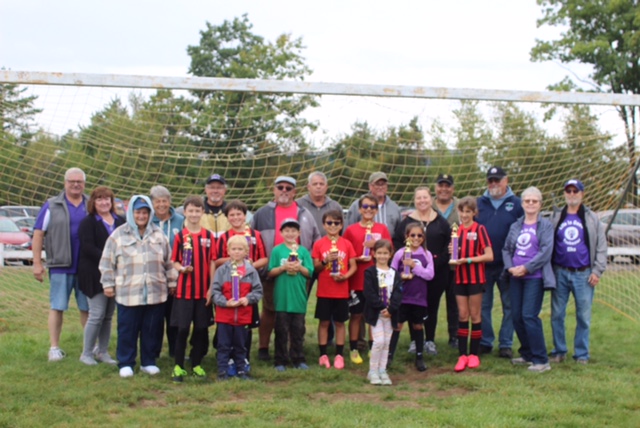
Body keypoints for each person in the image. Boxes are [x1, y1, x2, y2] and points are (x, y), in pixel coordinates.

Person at [99, 195, 177, 378]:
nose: (141, 216)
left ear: (150, 214)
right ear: (131, 213)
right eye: (138, 212)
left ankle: (148, 361)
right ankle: (126, 362)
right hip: (128, 293)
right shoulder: (118, 235)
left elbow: (169, 261)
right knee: (128, 329)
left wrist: (172, 281)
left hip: (156, 293)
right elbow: (106, 262)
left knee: (152, 330)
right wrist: (108, 283)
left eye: (145, 212)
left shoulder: (159, 235)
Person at [251, 176, 320, 361]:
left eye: (288, 188)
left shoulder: (305, 213)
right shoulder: (262, 213)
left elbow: (316, 239)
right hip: (270, 270)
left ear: (294, 192)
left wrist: (307, 264)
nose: (284, 190)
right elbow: (251, 238)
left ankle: (294, 350)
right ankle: (264, 348)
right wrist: (259, 263)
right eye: (280, 187)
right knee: (269, 310)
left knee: (296, 312)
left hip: (299, 273)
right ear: (274, 189)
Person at [32, 167, 90, 362]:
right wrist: (37, 263)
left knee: (87, 308)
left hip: (86, 267)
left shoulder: (91, 204)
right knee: (57, 307)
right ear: (65, 183)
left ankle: (90, 348)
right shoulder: (51, 205)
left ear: (84, 184)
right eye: (72, 181)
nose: (75, 184)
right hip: (59, 265)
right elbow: (39, 233)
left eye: (79, 182)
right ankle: (54, 348)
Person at [549, 179, 607, 365]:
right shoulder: (556, 216)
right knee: (557, 314)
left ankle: (581, 354)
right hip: (560, 272)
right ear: (565, 193)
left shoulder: (592, 218)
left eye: (575, 191)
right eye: (569, 191)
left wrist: (597, 270)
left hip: (583, 273)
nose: (572, 194)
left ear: (582, 194)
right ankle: (559, 350)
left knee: (583, 315)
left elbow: (601, 247)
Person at [502, 187, 555, 373]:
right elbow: (506, 250)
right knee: (516, 316)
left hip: (535, 277)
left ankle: (541, 360)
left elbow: (545, 252)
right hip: (515, 276)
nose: (530, 204)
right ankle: (527, 353)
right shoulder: (516, 225)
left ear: (540, 204)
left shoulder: (546, 225)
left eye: (534, 201)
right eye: (527, 201)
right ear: (522, 203)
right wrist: (510, 268)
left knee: (529, 316)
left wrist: (526, 268)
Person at [393, 186, 451, 356]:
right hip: (411, 275)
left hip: (436, 273)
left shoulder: (441, 222)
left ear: (431, 199)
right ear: (415, 201)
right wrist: (406, 263)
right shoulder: (406, 222)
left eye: (425, 197)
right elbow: (397, 243)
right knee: (412, 305)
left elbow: (449, 246)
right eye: (419, 198)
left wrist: (435, 262)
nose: (422, 201)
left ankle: (430, 340)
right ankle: (414, 340)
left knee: (431, 306)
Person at [476, 166, 523, 358]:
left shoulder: (517, 204)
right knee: (483, 305)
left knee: (509, 305)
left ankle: (506, 343)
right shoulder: (479, 203)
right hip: (483, 264)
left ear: (506, 180)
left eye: (498, 180)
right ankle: (486, 341)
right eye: (490, 180)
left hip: (508, 265)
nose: (494, 184)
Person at [216, 199, 267, 375]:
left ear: (245, 216)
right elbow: (217, 259)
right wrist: (235, 261)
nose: (236, 217)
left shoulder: (255, 235)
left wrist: (250, 265)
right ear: (227, 217)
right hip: (229, 288)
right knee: (227, 326)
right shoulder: (224, 237)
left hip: (247, 287)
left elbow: (264, 258)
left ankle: (243, 360)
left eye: (239, 214)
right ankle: (227, 361)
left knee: (246, 324)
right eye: (232, 214)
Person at [170, 196, 216, 383]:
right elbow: (174, 261)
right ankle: (178, 366)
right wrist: (182, 269)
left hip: (202, 291)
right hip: (184, 291)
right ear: (185, 212)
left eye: (198, 211)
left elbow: (212, 262)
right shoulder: (180, 236)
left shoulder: (208, 236)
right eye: (191, 211)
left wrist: (211, 288)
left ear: (202, 212)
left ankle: (196, 363)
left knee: (201, 329)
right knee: (182, 329)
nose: (194, 214)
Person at [77, 186, 125, 366]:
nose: (104, 202)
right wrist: (111, 259)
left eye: (107, 199)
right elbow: (88, 248)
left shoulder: (120, 221)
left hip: (116, 275)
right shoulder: (88, 222)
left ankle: (102, 351)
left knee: (108, 316)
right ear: (93, 202)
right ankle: (86, 353)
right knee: (96, 314)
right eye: (99, 199)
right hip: (93, 275)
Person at [343, 193, 392, 364]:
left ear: (377, 210)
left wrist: (374, 249)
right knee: (356, 315)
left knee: (374, 314)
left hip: (377, 279)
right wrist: (358, 258)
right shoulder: (351, 230)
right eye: (365, 206)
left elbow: (388, 252)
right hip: (357, 279)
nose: (369, 210)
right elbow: (346, 254)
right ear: (359, 209)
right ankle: (354, 349)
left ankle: (373, 347)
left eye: (372, 207)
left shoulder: (382, 229)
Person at [209, 235, 263, 380]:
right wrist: (226, 302)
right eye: (234, 249)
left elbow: (258, 291)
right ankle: (222, 371)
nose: (237, 252)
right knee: (223, 345)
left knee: (241, 346)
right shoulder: (222, 271)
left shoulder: (251, 271)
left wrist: (247, 299)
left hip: (243, 316)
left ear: (246, 252)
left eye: (240, 249)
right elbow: (215, 292)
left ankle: (241, 371)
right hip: (224, 316)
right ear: (228, 251)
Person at [450, 197, 493, 372]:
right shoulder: (456, 231)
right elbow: (454, 255)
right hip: (459, 278)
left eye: (468, 211)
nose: (465, 215)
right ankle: (462, 355)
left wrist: (468, 260)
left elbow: (489, 255)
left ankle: (474, 354)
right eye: (462, 211)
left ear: (474, 213)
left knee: (475, 315)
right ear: (458, 212)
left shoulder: (480, 229)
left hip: (475, 278)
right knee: (462, 315)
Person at [312, 209, 358, 369]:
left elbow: (353, 265)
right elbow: (315, 268)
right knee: (324, 322)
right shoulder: (319, 244)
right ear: (324, 225)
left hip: (341, 291)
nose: (332, 226)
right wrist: (325, 261)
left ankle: (339, 354)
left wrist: (346, 277)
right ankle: (323, 354)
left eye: (336, 223)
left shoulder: (346, 243)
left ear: (341, 225)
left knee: (340, 322)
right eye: (329, 223)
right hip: (324, 290)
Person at [268, 218, 314, 371]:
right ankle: (280, 360)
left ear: (299, 232)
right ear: (281, 233)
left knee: (298, 330)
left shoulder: (303, 251)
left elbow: (309, 273)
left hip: (298, 297)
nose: (290, 233)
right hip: (282, 298)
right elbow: (271, 272)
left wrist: (299, 267)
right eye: (287, 230)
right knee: (281, 330)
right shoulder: (277, 250)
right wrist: (284, 267)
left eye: (293, 230)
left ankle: (298, 358)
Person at [389, 222, 434, 372]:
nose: (416, 238)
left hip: (419, 297)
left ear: (424, 237)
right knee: (397, 326)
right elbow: (392, 274)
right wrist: (401, 277)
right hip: (403, 297)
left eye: (419, 235)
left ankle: (419, 357)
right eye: (412, 235)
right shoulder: (399, 253)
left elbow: (430, 275)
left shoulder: (426, 254)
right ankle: (389, 356)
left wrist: (415, 267)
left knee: (418, 326)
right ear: (406, 236)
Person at [150, 185, 185, 358]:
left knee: (174, 316)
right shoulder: (147, 220)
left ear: (170, 202)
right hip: (154, 276)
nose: (161, 205)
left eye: (164, 201)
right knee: (155, 317)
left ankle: (175, 351)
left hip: (176, 276)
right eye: (158, 201)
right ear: (152, 203)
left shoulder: (180, 220)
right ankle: (153, 352)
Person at [363, 239, 403, 386]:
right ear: (374, 254)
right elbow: (369, 293)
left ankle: (382, 370)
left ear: (390, 254)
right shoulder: (370, 272)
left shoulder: (395, 273)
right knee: (378, 341)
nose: (382, 256)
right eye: (379, 253)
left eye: (385, 253)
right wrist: (381, 307)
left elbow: (398, 293)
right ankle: (372, 371)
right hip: (376, 314)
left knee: (387, 343)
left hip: (390, 315)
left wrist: (391, 309)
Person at [433, 173, 460, 348]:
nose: (444, 189)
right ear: (435, 187)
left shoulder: (460, 206)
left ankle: (455, 336)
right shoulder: (427, 205)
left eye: (447, 185)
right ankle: (428, 338)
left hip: (456, 265)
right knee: (431, 303)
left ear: (453, 188)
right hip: (433, 264)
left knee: (455, 302)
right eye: (441, 185)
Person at [295, 171, 343, 237]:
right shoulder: (298, 204)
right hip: (305, 246)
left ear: (326, 187)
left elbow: (342, 230)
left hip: (330, 246)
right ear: (308, 187)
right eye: (315, 184)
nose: (318, 187)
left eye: (321, 184)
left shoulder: (335, 206)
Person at [201, 174, 231, 238]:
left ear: (225, 190)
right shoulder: (197, 211)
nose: (215, 191)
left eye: (219, 188)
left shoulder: (232, 212)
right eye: (212, 187)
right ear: (205, 189)